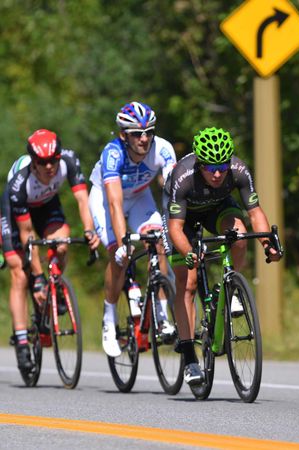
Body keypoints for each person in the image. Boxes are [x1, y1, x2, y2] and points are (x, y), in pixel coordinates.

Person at [167, 126, 283, 386]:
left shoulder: (238, 170)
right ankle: (189, 358)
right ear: (200, 165)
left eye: (222, 167)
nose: (218, 174)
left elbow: (255, 212)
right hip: (184, 219)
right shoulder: (182, 176)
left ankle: (230, 288)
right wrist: (189, 253)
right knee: (188, 282)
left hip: (217, 209)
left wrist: (268, 245)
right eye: (211, 168)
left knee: (239, 235)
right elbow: (175, 229)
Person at [1, 129, 100, 371]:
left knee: (62, 243)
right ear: (33, 162)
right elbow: (27, 235)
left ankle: (54, 286)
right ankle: (22, 342)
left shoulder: (69, 161)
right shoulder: (20, 184)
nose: (49, 167)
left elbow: (82, 200)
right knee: (20, 273)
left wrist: (90, 231)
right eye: (42, 162)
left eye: (53, 160)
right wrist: (37, 276)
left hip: (47, 205)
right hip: (16, 215)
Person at [89, 101, 176, 357]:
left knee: (158, 242)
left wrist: (173, 228)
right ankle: (109, 317)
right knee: (120, 256)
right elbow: (114, 204)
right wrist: (122, 243)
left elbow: (173, 192)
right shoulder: (113, 153)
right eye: (137, 133)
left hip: (139, 198)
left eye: (149, 132)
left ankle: (162, 315)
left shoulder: (163, 149)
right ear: (123, 135)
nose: (144, 138)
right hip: (106, 201)